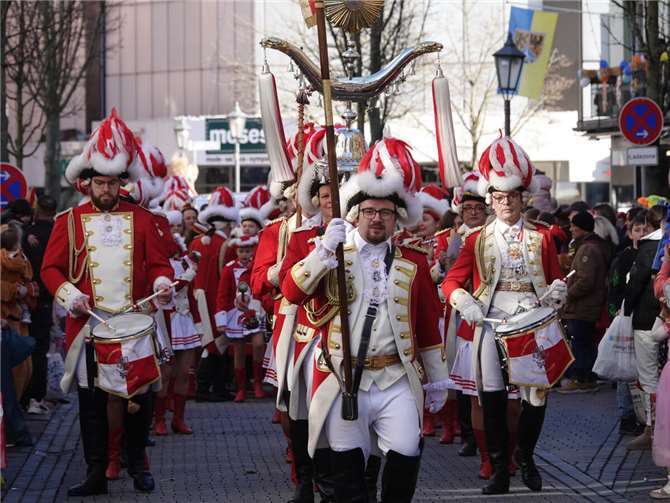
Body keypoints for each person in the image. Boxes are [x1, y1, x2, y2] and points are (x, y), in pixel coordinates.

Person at [282, 137, 451, 502]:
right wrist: (322, 252)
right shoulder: (331, 253)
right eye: (370, 211)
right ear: (355, 214)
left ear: (397, 218)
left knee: (406, 451)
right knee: (347, 471)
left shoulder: (413, 261)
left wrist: (438, 378)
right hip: (344, 379)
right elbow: (292, 292)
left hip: (396, 378)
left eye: (385, 213)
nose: (377, 218)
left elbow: (427, 325)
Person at [41, 109, 174, 496]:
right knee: (93, 405)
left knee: (140, 399)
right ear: (87, 183)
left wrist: (162, 282)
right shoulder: (69, 220)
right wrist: (71, 296)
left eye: (112, 183)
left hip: (134, 325)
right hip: (89, 326)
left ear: (122, 183)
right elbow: (50, 269)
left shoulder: (143, 219)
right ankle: (96, 471)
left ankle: (139, 465)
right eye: (99, 183)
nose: (105, 190)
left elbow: (159, 264)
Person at [442, 135, 566, 495]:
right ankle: (498, 469)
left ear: (522, 198)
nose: (506, 203)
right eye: (499, 197)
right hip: (491, 324)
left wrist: (559, 292)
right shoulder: (476, 239)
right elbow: (451, 282)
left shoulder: (542, 238)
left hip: (532, 324)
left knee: (535, 398)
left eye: (512, 196)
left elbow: (555, 280)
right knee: (492, 399)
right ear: (490, 200)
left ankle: (525, 456)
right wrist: (464, 301)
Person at [190, 187, 239, 402]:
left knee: (210, 342)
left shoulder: (195, 242)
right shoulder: (226, 245)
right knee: (217, 343)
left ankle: (215, 387)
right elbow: (226, 279)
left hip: (196, 298)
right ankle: (205, 388)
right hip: (216, 299)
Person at [623, 204, 664, 450]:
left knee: (649, 377)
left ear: (648, 225)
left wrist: (625, 310)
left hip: (648, 319)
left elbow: (635, 285)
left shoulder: (650, 247)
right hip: (662, 319)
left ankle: (653, 429)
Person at [558, 211, 611, 393]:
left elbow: (586, 281)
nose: (571, 229)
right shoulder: (593, 245)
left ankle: (581, 378)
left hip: (583, 306)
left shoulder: (588, 248)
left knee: (581, 342)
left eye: (573, 226)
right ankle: (588, 377)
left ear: (581, 228)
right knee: (585, 342)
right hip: (588, 305)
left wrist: (567, 294)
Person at [215, 234, 267, 402]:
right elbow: (222, 295)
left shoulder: (257, 266)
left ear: (253, 250)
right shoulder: (229, 268)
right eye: (241, 251)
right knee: (239, 351)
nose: (245, 254)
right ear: (236, 251)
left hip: (255, 311)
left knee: (259, 344)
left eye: (248, 251)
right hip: (235, 314)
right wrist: (221, 319)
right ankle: (241, 388)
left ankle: (257, 383)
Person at [22, 196, 57, 415]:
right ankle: (36, 396)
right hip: (48, 297)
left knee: (29, 349)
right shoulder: (58, 233)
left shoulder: (28, 234)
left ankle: (27, 396)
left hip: (26, 298)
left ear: (37, 209)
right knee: (40, 349)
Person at [1, 224, 37, 404]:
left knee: (20, 370)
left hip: (13, 318)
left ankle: (10, 409)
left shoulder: (21, 260)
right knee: (19, 371)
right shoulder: (22, 260)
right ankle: (10, 409)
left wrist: (23, 290)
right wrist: (20, 290)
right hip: (11, 319)